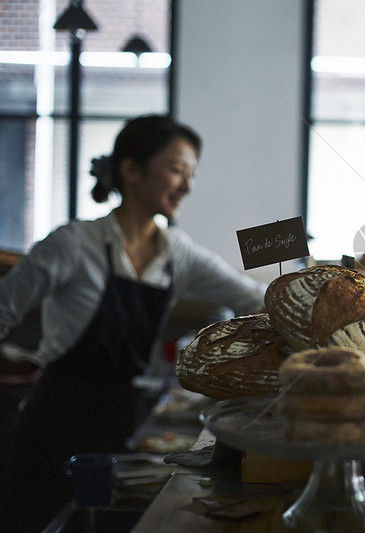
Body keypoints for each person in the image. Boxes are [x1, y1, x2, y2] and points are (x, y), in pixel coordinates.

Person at [0, 115, 267, 532]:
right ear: (131, 170)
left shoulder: (176, 252)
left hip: (123, 424)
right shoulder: (73, 243)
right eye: (177, 170)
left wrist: (330, 282)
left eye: (191, 174)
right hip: (53, 425)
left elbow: (252, 295)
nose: (187, 186)